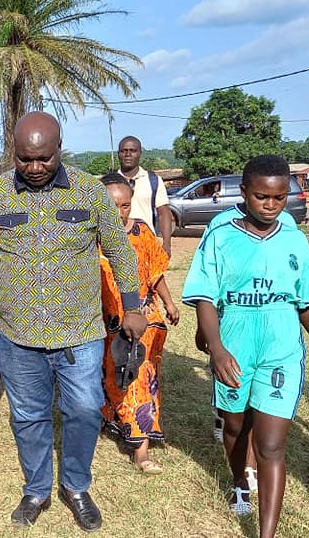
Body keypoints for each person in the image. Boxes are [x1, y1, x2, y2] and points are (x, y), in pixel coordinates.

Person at [0, 112, 147, 532]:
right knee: (28, 416)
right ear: (14, 153)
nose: (35, 167)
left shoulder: (89, 191)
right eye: (25, 159)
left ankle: (76, 486)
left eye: (44, 158)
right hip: (18, 334)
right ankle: (37, 489)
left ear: (60, 148)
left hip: (79, 332)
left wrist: (133, 306)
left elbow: (119, 249)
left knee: (84, 409)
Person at [182, 155, 309, 538]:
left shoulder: (295, 240)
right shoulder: (221, 236)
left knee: (271, 445)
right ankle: (238, 480)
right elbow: (205, 297)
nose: (270, 205)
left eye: (279, 198)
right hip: (235, 343)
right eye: (262, 196)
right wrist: (216, 347)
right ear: (244, 193)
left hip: (282, 348)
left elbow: (305, 303)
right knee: (235, 424)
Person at [98, 173, 180, 474]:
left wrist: (169, 303)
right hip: (105, 322)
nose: (120, 212)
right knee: (109, 374)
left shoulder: (141, 231)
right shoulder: (89, 237)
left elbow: (154, 272)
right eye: (113, 206)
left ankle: (141, 450)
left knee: (140, 375)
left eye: (125, 205)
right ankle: (113, 420)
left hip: (143, 318)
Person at [116, 136, 173, 256]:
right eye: (124, 151)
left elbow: (164, 213)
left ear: (140, 153)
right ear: (118, 154)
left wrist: (167, 244)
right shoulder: (110, 183)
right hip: (116, 245)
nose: (128, 154)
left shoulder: (154, 180)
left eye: (132, 151)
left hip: (147, 244)